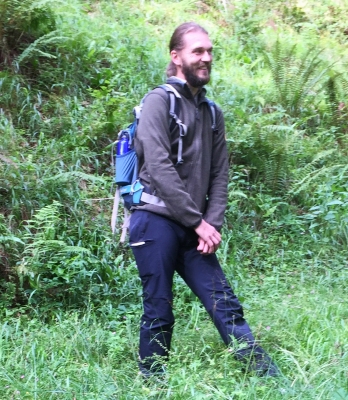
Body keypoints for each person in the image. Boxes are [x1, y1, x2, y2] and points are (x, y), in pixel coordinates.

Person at [128, 22, 279, 378]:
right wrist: (198, 222)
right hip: (155, 220)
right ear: (176, 56)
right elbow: (160, 167)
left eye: (209, 51)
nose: (206, 58)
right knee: (159, 307)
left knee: (224, 304)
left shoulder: (212, 113)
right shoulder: (157, 102)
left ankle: (268, 378)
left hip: (195, 227)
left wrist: (211, 223)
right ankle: (152, 382)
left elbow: (220, 174)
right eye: (198, 51)